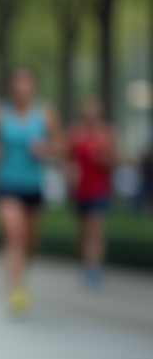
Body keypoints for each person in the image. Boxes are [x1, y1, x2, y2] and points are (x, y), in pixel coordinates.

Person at [0, 67, 63, 315]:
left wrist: (47, 148)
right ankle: (14, 289)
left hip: (34, 184)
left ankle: (21, 277)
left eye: (26, 85)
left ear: (33, 87)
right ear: (10, 88)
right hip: (6, 182)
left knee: (30, 243)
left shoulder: (45, 112)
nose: (22, 90)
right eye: (17, 85)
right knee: (15, 235)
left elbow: (62, 145)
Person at [67, 97, 118, 289]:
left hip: (99, 190)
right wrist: (69, 171)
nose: (91, 115)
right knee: (83, 233)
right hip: (80, 190)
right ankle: (84, 261)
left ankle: (94, 269)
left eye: (94, 112)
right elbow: (65, 157)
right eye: (88, 112)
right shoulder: (75, 133)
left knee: (95, 231)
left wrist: (106, 160)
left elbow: (117, 161)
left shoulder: (107, 133)